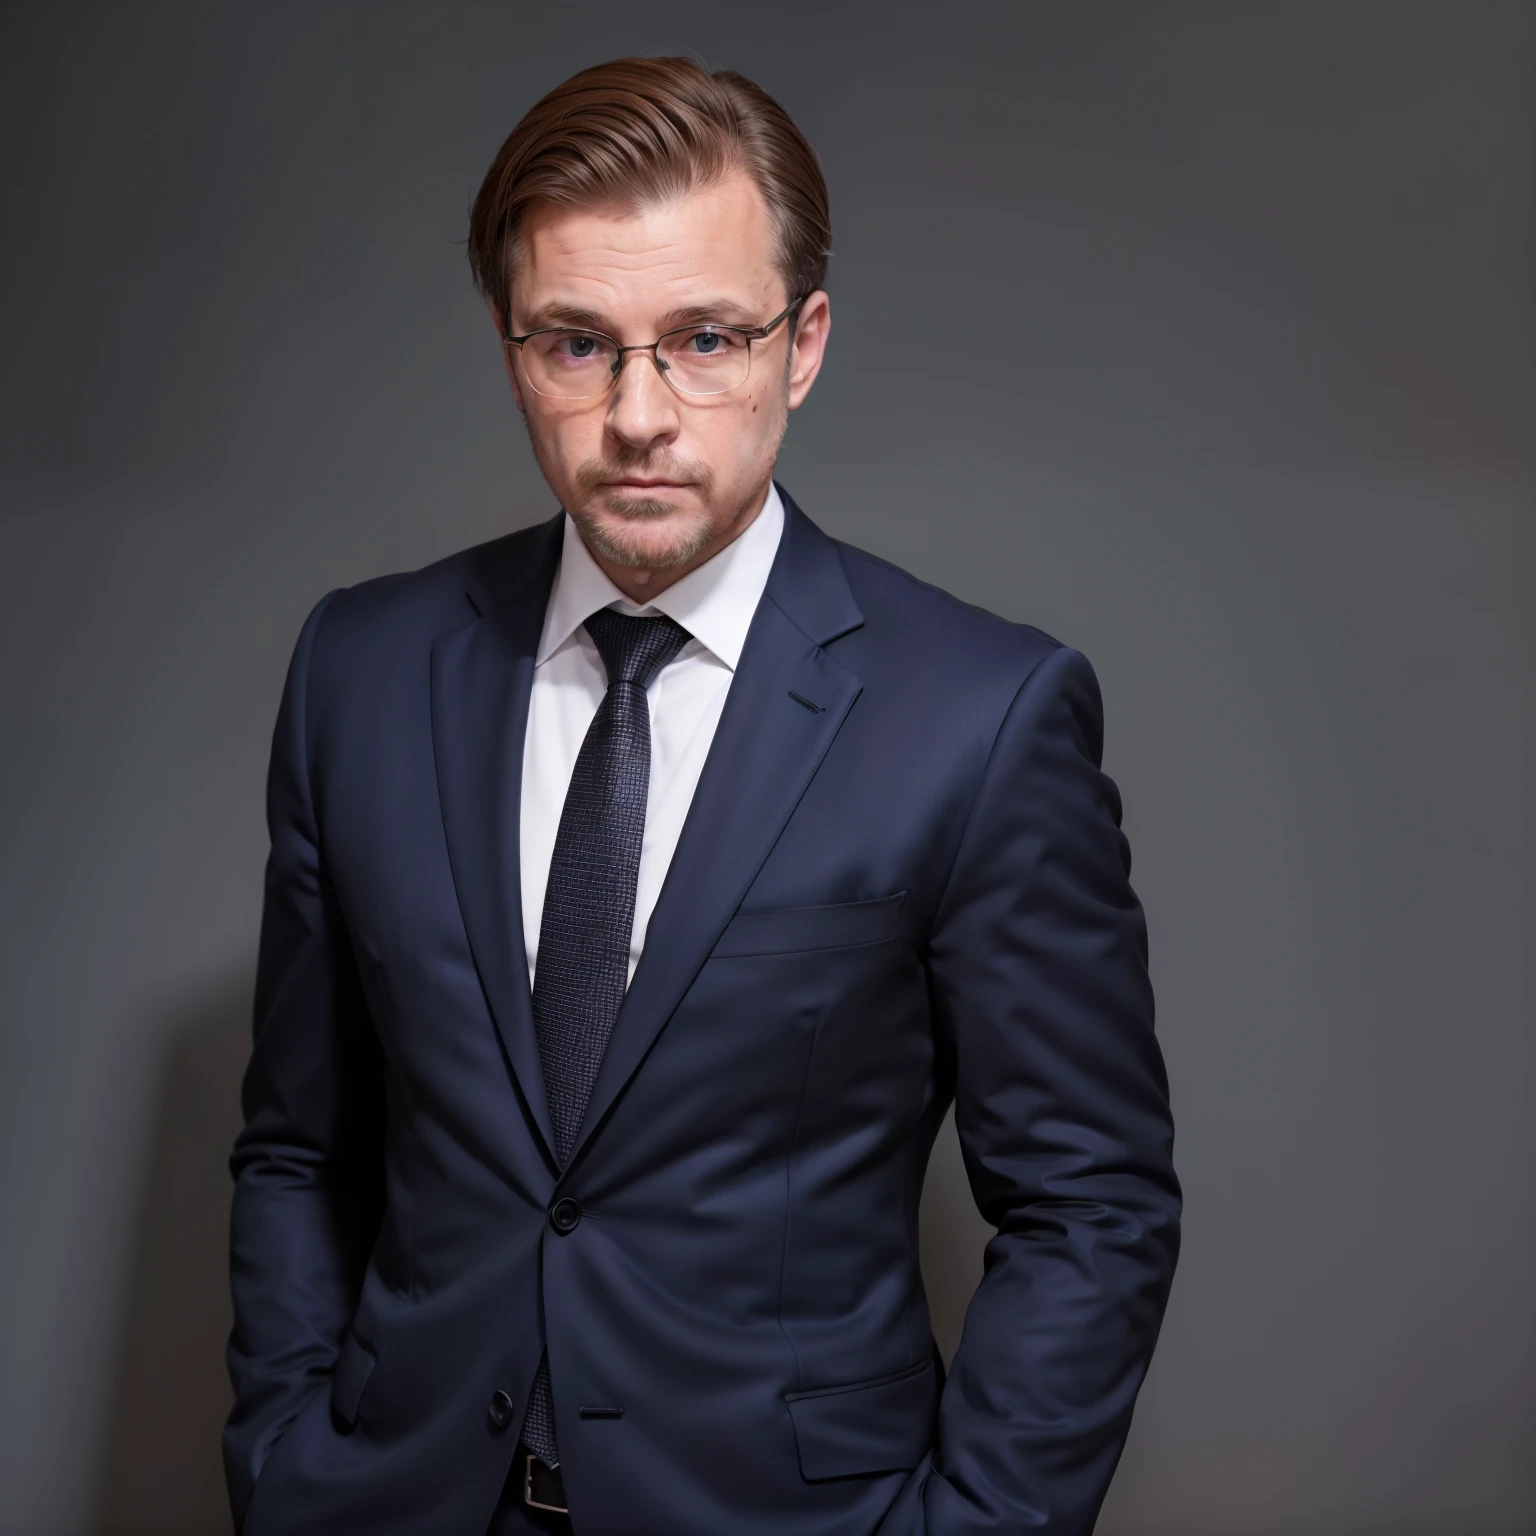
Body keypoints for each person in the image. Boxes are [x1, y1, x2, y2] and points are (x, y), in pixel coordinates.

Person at [223, 55, 1180, 1536]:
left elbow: (1092, 1210)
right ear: (509, 346)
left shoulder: (981, 715)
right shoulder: (360, 667)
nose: (640, 414)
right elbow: (303, 1141)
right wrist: (286, 1461)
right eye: (578, 345)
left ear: (803, 346)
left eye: (704, 340)